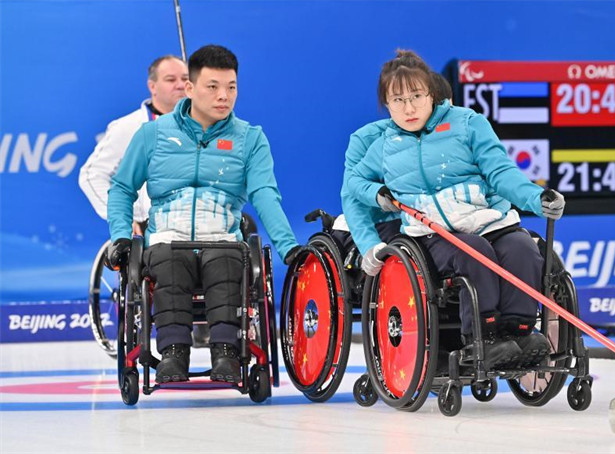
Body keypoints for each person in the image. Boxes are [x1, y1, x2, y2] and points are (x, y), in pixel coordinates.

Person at [346, 50, 566, 370]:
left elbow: (501, 173)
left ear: (431, 94)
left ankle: (519, 332)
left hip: (486, 219)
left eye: (416, 96)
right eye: (397, 100)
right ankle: (484, 338)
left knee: (523, 250)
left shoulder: (468, 123)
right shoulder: (384, 144)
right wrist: (377, 194)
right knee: (472, 251)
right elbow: (354, 183)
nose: (408, 108)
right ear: (386, 104)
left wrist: (536, 198)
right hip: (433, 233)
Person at [106, 45, 301, 384]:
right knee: (168, 261)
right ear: (190, 88)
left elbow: (265, 195)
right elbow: (122, 188)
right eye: (213, 87)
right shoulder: (153, 134)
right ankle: (172, 353)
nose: (224, 96)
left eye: (232, 87)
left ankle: (226, 351)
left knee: (226, 259)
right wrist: (121, 237)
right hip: (167, 239)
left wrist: (288, 247)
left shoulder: (250, 139)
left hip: (222, 238)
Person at [332, 69, 453, 254]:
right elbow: (352, 197)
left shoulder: (456, 132)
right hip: (385, 224)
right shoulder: (366, 139)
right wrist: (369, 246)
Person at [79, 55, 188, 235]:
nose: (180, 85)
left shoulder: (204, 125)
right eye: (171, 79)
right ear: (152, 86)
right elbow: (91, 175)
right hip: (153, 231)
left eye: (185, 79)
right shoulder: (128, 127)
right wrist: (122, 218)